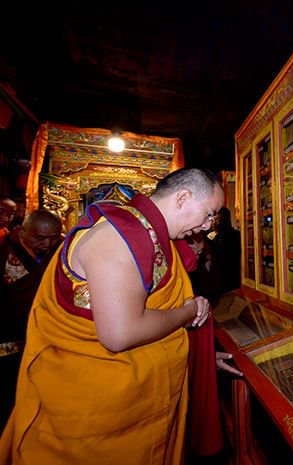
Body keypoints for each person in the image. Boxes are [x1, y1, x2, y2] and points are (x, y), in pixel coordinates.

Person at [0, 168, 237, 465]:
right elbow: (119, 334)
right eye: (208, 214)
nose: (207, 227)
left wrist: (198, 354)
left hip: (135, 407)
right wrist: (189, 312)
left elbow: (156, 312)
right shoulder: (119, 236)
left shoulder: (154, 238)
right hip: (94, 411)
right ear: (183, 198)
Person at [0, 209, 63, 430]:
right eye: (40, 237)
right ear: (22, 230)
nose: (48, 243)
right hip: (8, 339)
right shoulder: (3, 250)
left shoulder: (61, 250)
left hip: (50, 338)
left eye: (54, 237)